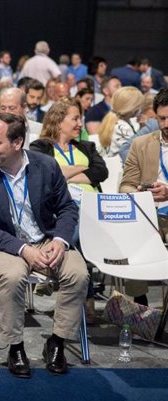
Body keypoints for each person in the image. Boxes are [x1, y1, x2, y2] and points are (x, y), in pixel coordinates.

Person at [0, 113, 88, 378]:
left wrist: (60, 239)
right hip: (4, 241)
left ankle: (56, 342)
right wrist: (24, 250)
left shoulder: (46, 166)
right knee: (12, 276)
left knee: (78, 275)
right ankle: (15, 346)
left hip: (46, 237)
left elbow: (67, 207)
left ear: (17, 142)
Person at [29, 97, 108, 324]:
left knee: (80, 226)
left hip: (93, 210)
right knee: (76, 228)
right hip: (61, 208)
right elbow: (47, 172)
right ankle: (87, 305)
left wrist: (67, 172)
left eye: (80, 119)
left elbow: (100, 172)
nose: (80, 124)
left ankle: (50, 265)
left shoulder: (86, 146)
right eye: (75, 118)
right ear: (58, 120)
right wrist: (81, 168)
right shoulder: (40, 146)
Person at [118, 89, 168, 303]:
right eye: (162, 118)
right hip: (150, 214)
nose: (166, 124)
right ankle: (140, 302)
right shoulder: (141, 144)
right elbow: (126, 185)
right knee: (130, 229)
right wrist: (141, 194)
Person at [0, 87, 43, 151]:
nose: (7, 112)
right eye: (3, 108)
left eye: (12, 108)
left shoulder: (39, 130)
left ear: (24, 108)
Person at [98, 86, 143, 159]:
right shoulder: (123, 127)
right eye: (139, 105)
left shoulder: (115, 120)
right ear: (133, 107)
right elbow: (136, 152)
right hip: (120, 167)